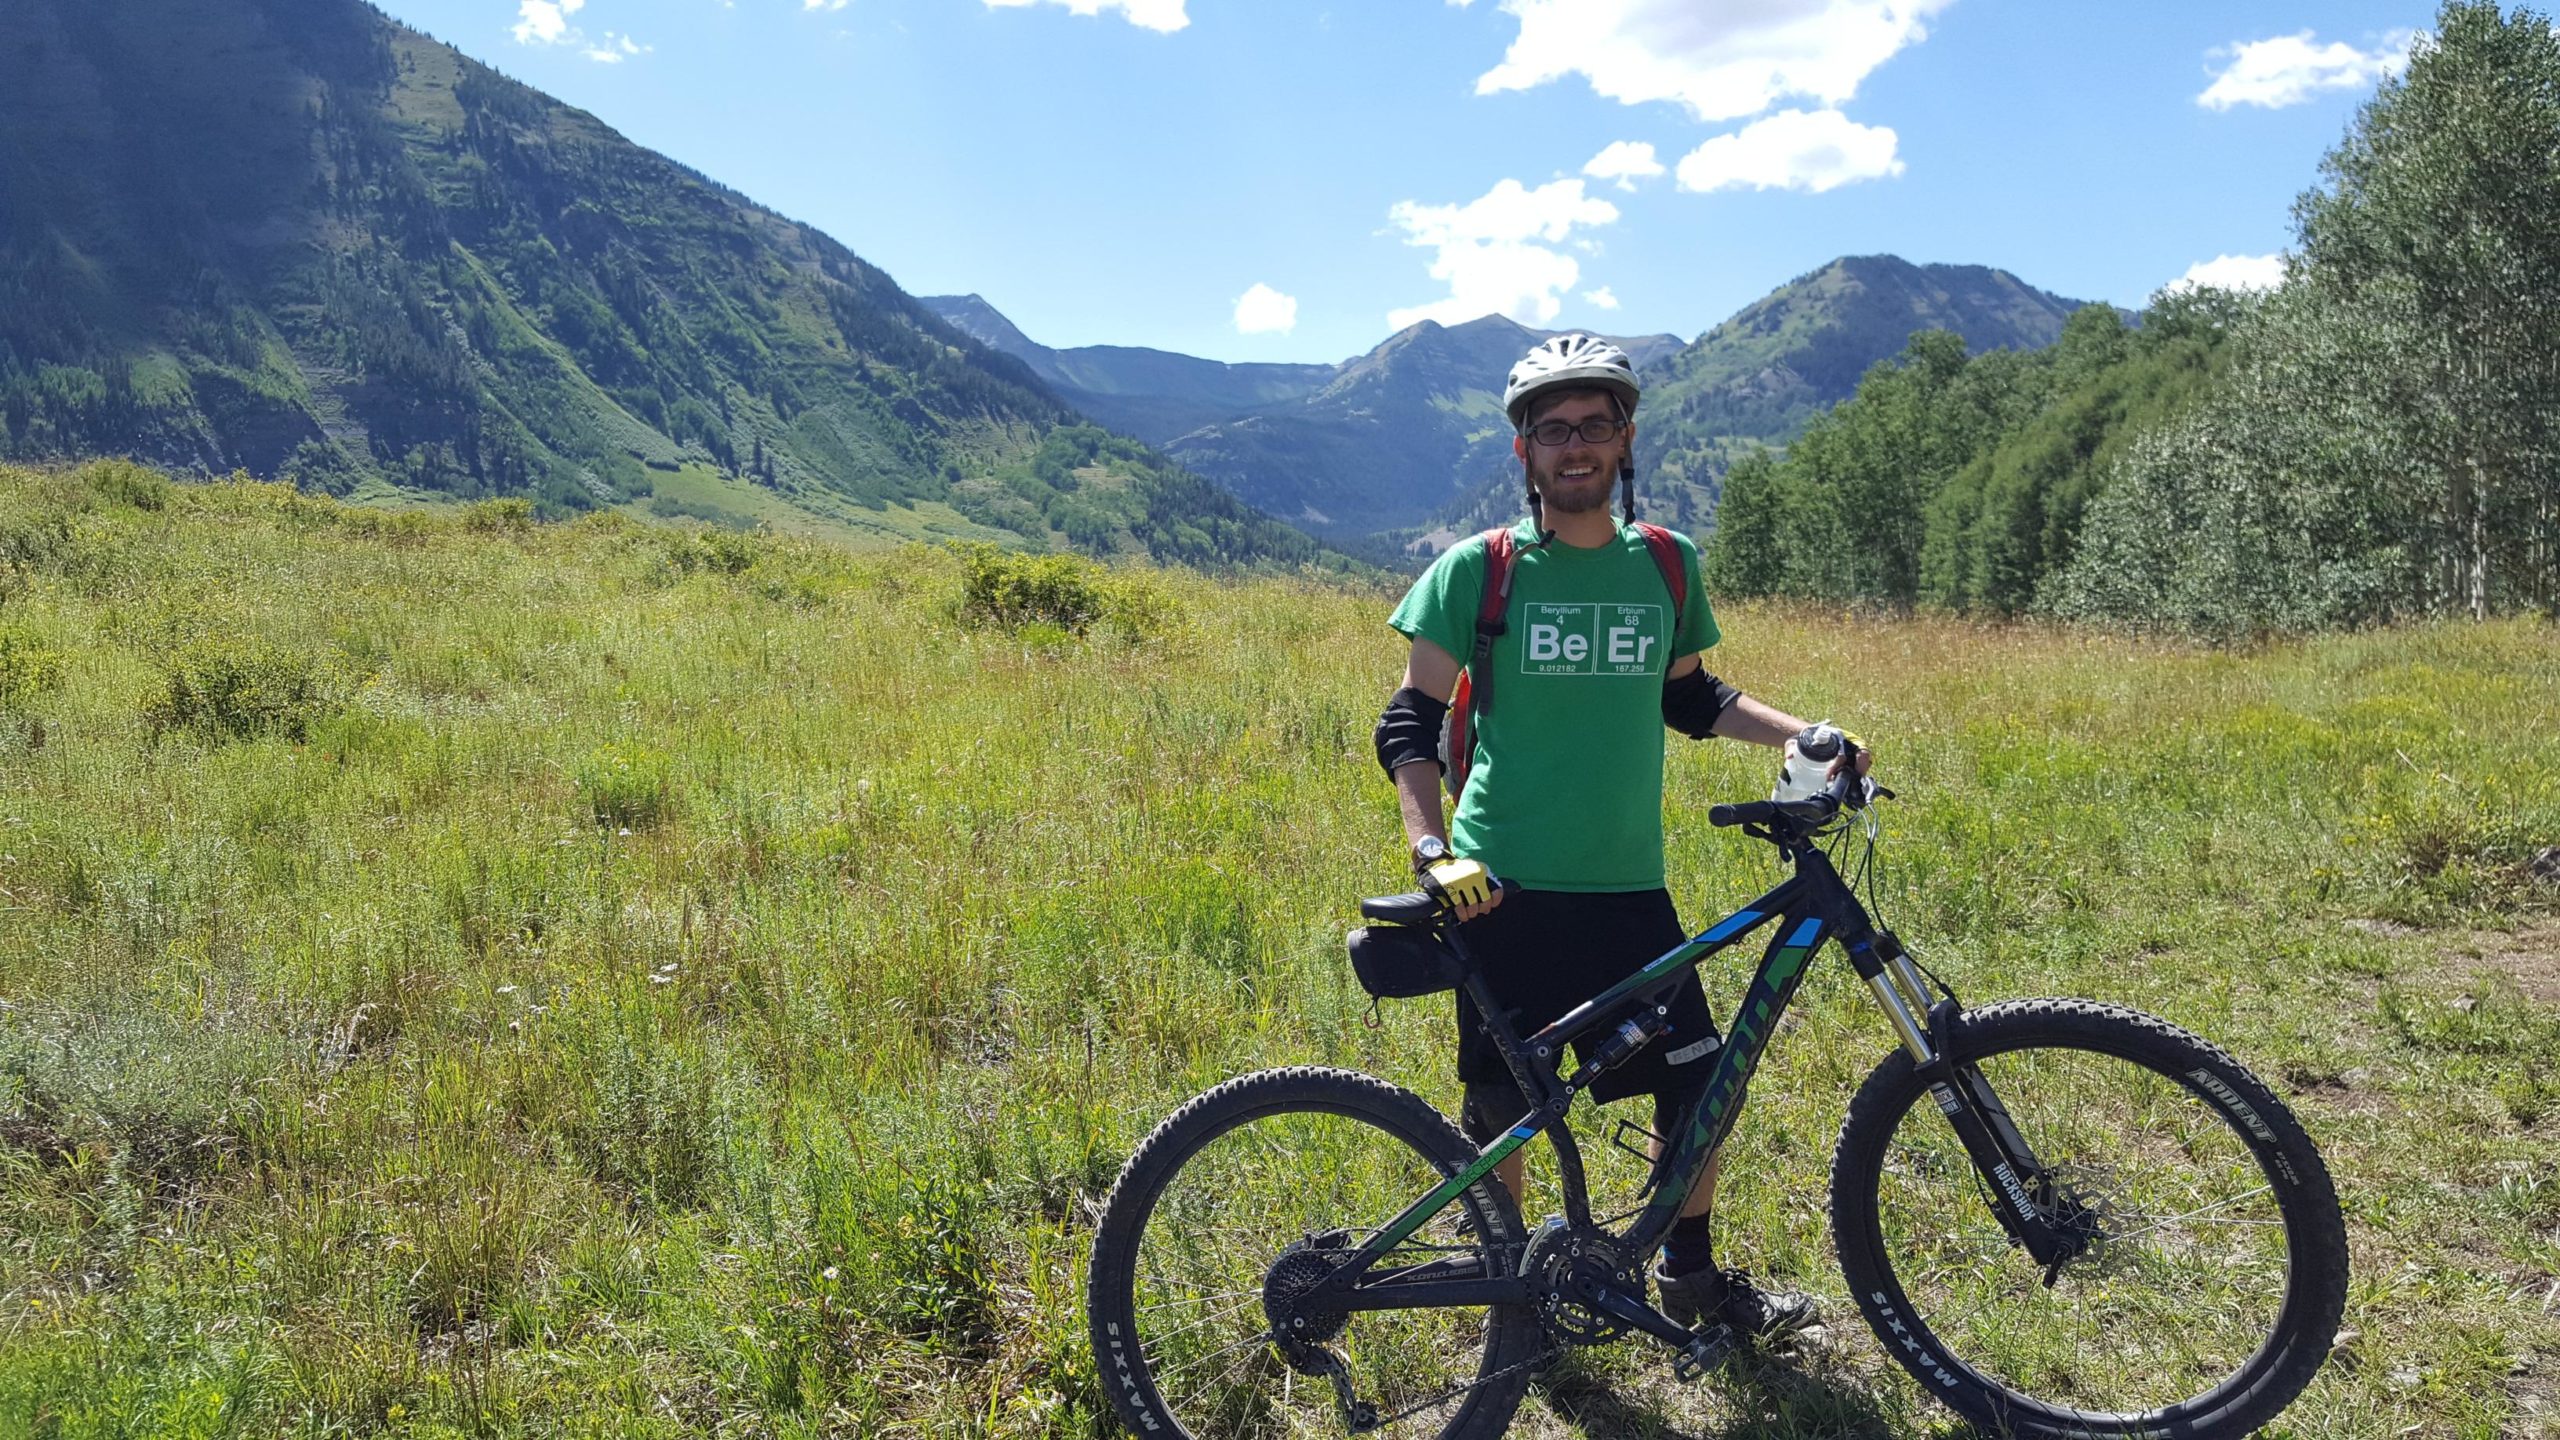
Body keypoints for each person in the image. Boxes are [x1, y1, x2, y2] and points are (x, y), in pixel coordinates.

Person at [1368, 334, 1871, 1341]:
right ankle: (1510, 1301)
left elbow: (1690, 698)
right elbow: (1407, 726)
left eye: (1593, 425)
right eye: (1551, 430)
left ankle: (1689, 1278)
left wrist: (1810, 735)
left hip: (1625, 885)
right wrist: (1433, 850)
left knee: (1697, 1087)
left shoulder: (1668, 565)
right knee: (1502, 1103)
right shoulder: (1480, 571)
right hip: (1498, 880)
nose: (1573, 446)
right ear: (1524, 453)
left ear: (1624, 438)